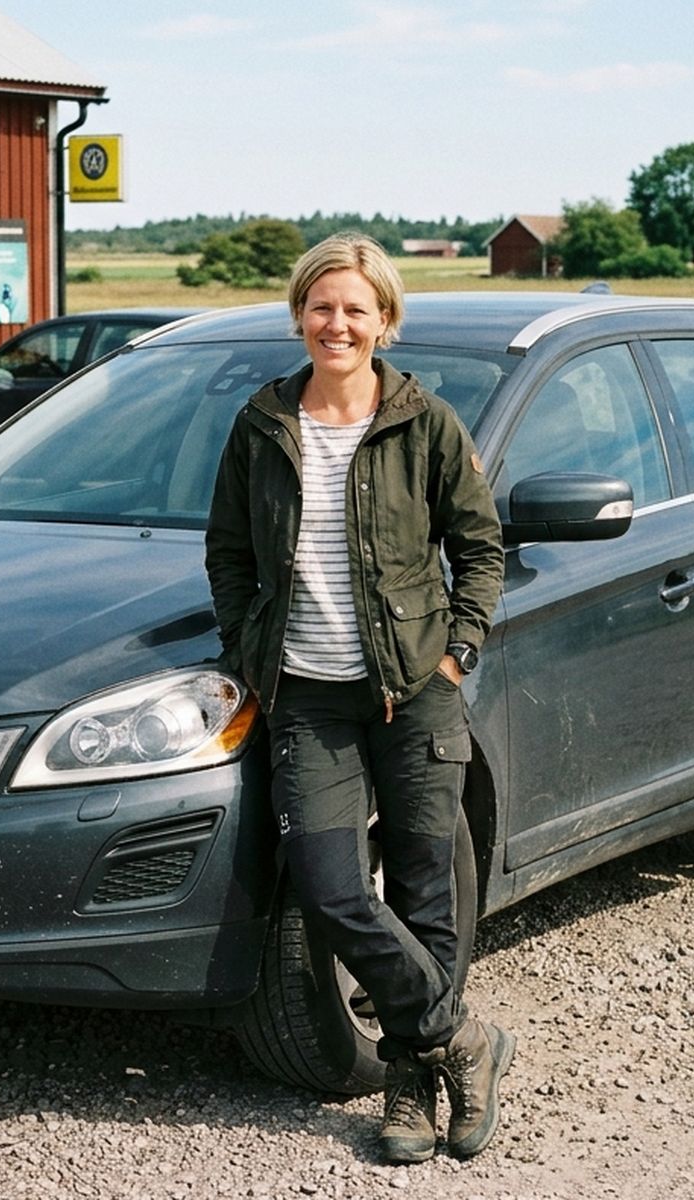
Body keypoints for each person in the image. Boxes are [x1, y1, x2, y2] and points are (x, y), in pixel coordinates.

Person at [204, 233, 512, 1162]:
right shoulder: (263, 425)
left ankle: (411, 1091)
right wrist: (248, 650)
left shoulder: (426, 424)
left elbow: (481, 548)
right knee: (335, 891)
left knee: (425, 892)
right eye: (322, 306)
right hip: (307, 699)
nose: (337, 323)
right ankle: (462, 1040)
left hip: (414, 694)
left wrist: (456, 652)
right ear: (300, 314)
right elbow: (228, 552)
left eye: (356, 309)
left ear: (385, 320)